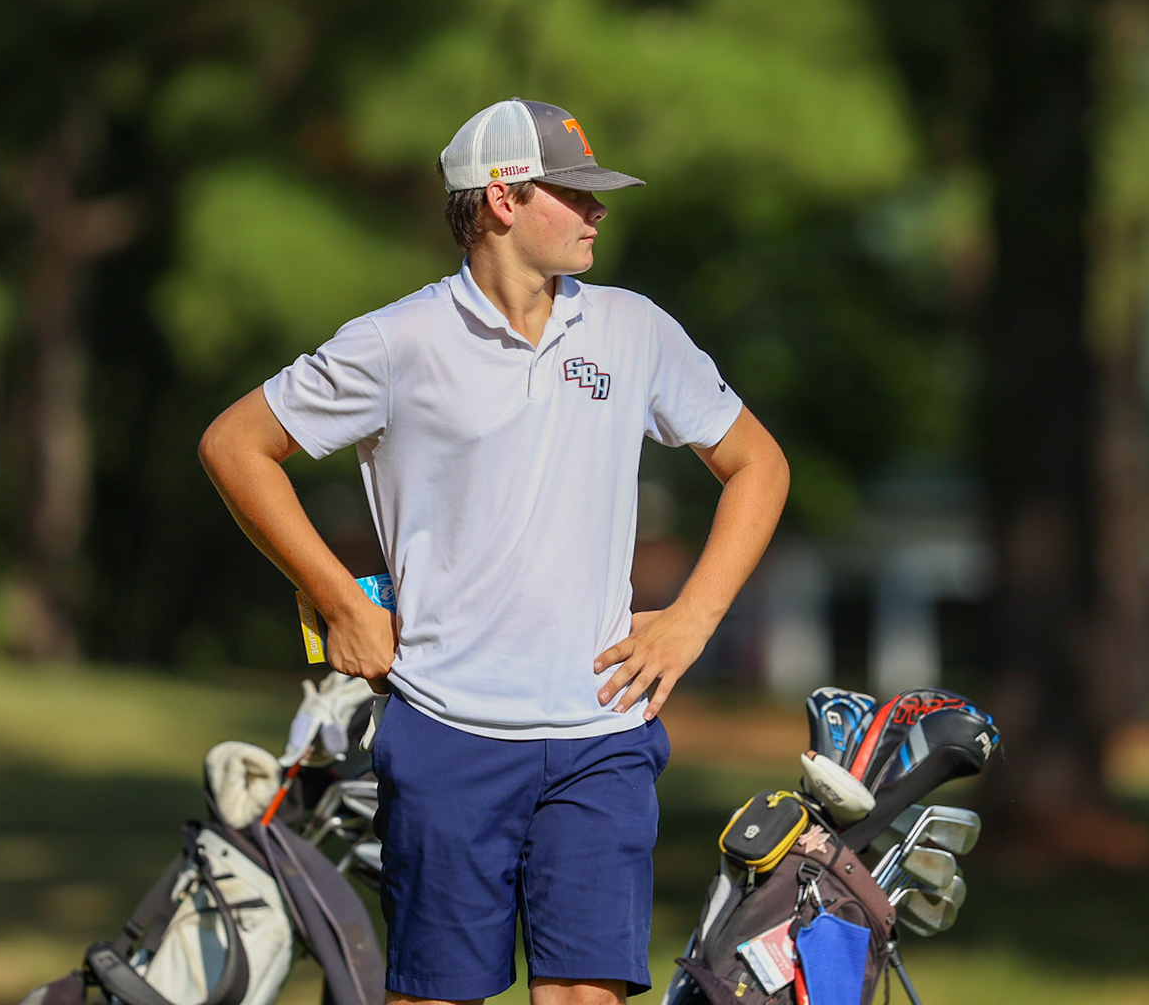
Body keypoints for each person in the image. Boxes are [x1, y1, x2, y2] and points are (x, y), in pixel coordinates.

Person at [198, 98, 790, 1005]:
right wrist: (343, 603)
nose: (597, 210)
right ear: (503, 199)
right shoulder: (397, 342)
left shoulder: (635, 329)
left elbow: (758, 464)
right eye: (574, 192)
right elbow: (236, 445)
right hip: (447, 732)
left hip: (602, 735)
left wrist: (693, 619)